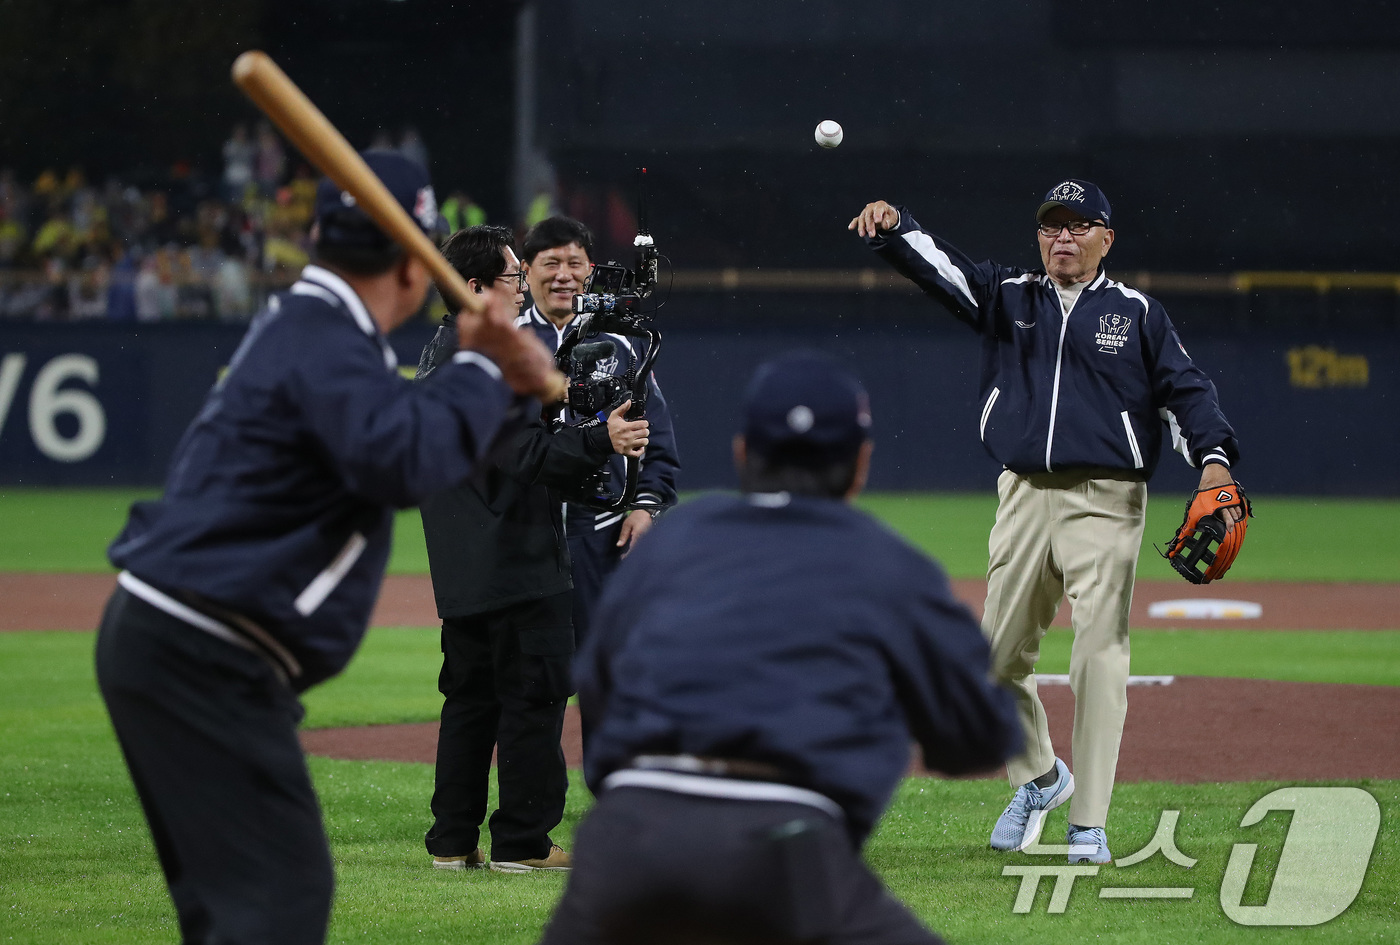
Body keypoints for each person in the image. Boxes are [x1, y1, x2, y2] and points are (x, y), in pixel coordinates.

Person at [95, 151, 561, 945]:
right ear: (416, 268)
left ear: (317, 234)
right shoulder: (325, 337)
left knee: (251, 906)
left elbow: (413, 438)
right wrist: (487, 368)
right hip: (202, 651)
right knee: (277, 901)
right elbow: (402, 461)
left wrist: (489, 375)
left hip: (189, 647)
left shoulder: (313, 325)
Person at [538, 352, 1021, 945]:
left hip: (623, 842)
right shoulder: (887, 564)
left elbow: (600, 683)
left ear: (743, 452)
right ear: (861, 462)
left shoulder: (674, 541)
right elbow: (978, 739)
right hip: (785, 846)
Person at [850, 180, 1242, 864]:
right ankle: (1039, 777)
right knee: (995, 661)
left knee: (1099, 656)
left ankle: (1088, 821)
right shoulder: (1008, 298)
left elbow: (1187, 391)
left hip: (1108, 499)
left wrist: (1213, 460)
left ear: (1105, 238)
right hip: (1024, 494)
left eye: (1079, 225)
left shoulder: (1138, 313)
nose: (1063, 236)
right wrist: (895, 228)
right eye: (1051, 227)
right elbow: (941, 270)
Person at [415, 225, 650, 873]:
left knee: (469, 701)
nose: (523, 287)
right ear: (475, 288)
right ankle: (523, 840)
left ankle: (452, 839)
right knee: (534, 698)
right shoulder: (488, 353)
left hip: (462, 564)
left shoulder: (440, 350)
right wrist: (603, 438)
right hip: (517, 556)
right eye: (514, 277)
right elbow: (525, 455)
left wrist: (565, 402)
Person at [517, 215, 680, 646]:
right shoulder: (504, 341)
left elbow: (657, 436)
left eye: (575, 262)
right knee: (529, 681)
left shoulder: (624, 340)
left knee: (606, 674)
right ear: (526, 270)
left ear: (592, 271)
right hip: (526, 533)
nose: (564, 275)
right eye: (551, 263)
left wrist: (646, 507)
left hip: (602, 532)